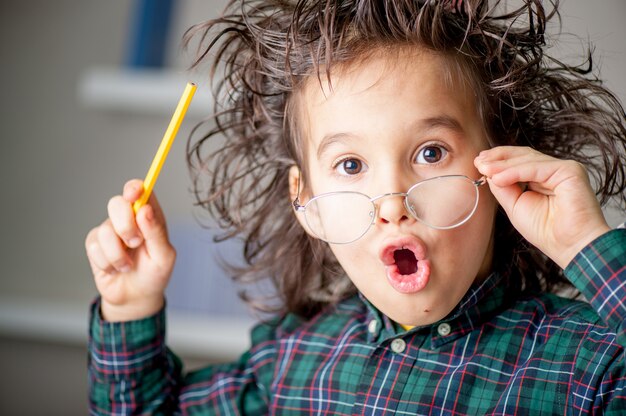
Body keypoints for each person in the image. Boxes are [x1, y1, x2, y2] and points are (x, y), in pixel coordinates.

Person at [85, 0, 626, 413]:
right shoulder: (291, 361)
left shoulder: (588, 362)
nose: (391, 204)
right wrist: (130, 305)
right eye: (350, 165)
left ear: (497, 168)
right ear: (308, 203)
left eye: (431, 153)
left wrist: (587, 245)